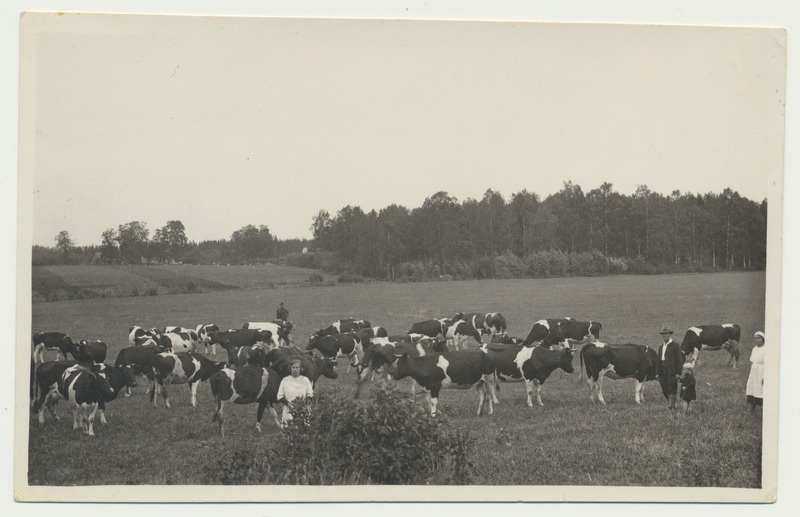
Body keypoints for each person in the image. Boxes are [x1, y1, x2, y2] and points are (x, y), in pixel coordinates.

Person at [276, 359, 313, 427]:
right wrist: (289, 404)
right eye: (293, 367)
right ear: (290, 369)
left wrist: (303, 404)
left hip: (303, 408)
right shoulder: (285, 380)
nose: (295, 369)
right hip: (289, 409)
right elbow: (279, 396)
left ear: (300, 369)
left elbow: (310, 394)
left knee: (303, 428)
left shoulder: (305, 380)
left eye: (297, 367)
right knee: (289, 428)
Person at [655, 325, 683, 409]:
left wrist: (678, 373)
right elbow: (658, 360)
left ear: (670, 334)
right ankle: (670, 402)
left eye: (666, 334)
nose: (664, 336)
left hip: (672, 370)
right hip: (663, 369)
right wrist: (657, 372)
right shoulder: (661, 347)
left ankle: (671, 405)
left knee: (672, 386)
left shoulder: (675, 346)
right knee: (664, 386)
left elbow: (679, 360)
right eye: (663, 334)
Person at [746, 331, 765, 415]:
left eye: (759, 338)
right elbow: (752, 361)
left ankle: (763, 412)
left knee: (761, 389)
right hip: (754, 371)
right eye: (755, 338)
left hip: (762, 370)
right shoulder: (754, 348)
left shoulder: (766, 348)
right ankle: (751, 410)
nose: (757, 340)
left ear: (763, 339)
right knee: (752, 388)